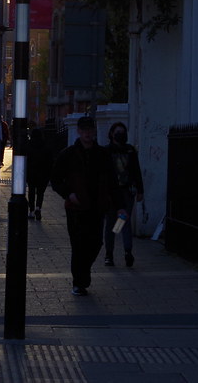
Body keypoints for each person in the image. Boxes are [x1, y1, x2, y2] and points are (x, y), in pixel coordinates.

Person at [50, 115, 126, 296]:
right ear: (79, 131)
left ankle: (83, 273)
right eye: (84, 130)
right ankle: (80, 282)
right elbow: (55, 180)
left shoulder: (103, 155)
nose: (87, 134)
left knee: (95, 243)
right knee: (78, 245)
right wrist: (69, 193)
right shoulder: (68, 155)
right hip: (76, 208)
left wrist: (120, 206)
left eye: (90, 130)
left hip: (98, 207)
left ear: (94, 131)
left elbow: (113, 182)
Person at [104, 121, 145, 267]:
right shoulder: (107, 151)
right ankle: (109, 253)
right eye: (117, 132)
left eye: (122, 132)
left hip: (126, 192)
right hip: (111, 194)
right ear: (112, 134)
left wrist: (140, 190)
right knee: (111, 223)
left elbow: (136, 170)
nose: (120, 135)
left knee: (122, 222)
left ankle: (127, 251)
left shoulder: (130, 151)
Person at [25, 127, 52, 220]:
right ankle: (38, 208)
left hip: (31, 173)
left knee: (31, 192)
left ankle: (31, 211)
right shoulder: (45, 145)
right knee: (40, 193)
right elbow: (50, 161)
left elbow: (26, 160)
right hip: (43, 173)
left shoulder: (28, 145)